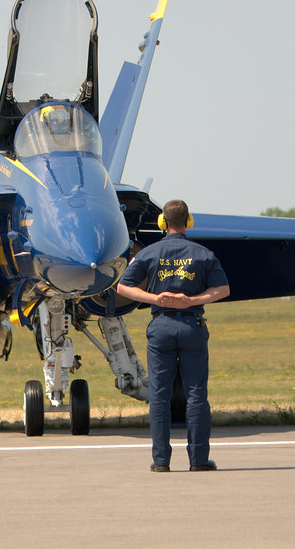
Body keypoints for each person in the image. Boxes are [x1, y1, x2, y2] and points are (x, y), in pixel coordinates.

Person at [116, 199, 230, 472]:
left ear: (162, 223)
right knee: (196, 394)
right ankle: (199, 459)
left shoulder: (149, 253)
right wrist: (190, 301)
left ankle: (161, 461)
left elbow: (123, 287)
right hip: (191, 326)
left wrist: (155, 297)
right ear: (188, 221)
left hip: (161, 327)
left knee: (159, 395)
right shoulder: (203, 254)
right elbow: (222, 290)